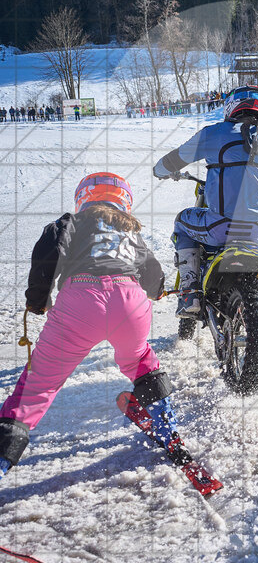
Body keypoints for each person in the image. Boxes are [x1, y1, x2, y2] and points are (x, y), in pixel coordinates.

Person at [0, 173, 178, 480]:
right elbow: (153, 274)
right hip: (130, 300)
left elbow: (48, 253)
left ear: (84, 198)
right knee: (140, 361)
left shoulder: (71, 221)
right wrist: (158, 290)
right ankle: (168, 429)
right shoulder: (130, 231)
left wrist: (38, 300)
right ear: (124, 201)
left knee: (38, 386)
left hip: (81, 300)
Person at [153, 85, 258, 318]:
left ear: (231, 106)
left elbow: (173, 161)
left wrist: (160, 170)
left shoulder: (214, 133)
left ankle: (190, 291)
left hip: (221, 227)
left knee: (181, 221)